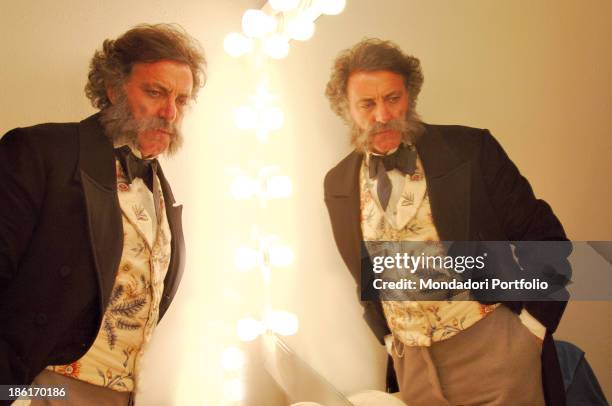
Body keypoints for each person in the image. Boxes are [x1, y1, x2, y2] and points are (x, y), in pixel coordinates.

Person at [323, 38, 570, 405]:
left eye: (393, 98)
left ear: (411, 96)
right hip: (414, 368)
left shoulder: (471, 150)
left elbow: (545, 240)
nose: (382, 115)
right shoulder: (337, 184)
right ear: (347, 109)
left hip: (494, 352)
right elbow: (366, 278)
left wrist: (531, 329)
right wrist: (390, 340)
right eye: (367, 104)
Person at [0, 23, 206, 405]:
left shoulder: (159, 185)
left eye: (182, 99)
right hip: (48, 386)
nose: (170, 112)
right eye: (156, 92)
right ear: (113, 88)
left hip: (131, 393)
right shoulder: (39, 151)